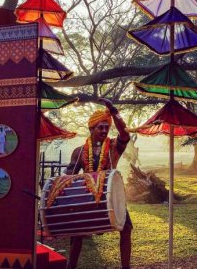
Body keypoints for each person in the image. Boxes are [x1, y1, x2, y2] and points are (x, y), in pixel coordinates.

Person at [64, 98, 132, 269]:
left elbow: (125, 134)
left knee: (126, 228)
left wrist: (114, 111)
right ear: (91, 128)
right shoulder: (79, 152)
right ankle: (70, 266)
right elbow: (69, 175)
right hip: (87, 196)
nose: (104, 130)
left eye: (106, 127)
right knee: (77, 233)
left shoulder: (114, 147)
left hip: (111, 196)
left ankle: (126, 267)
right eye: (100, 127)